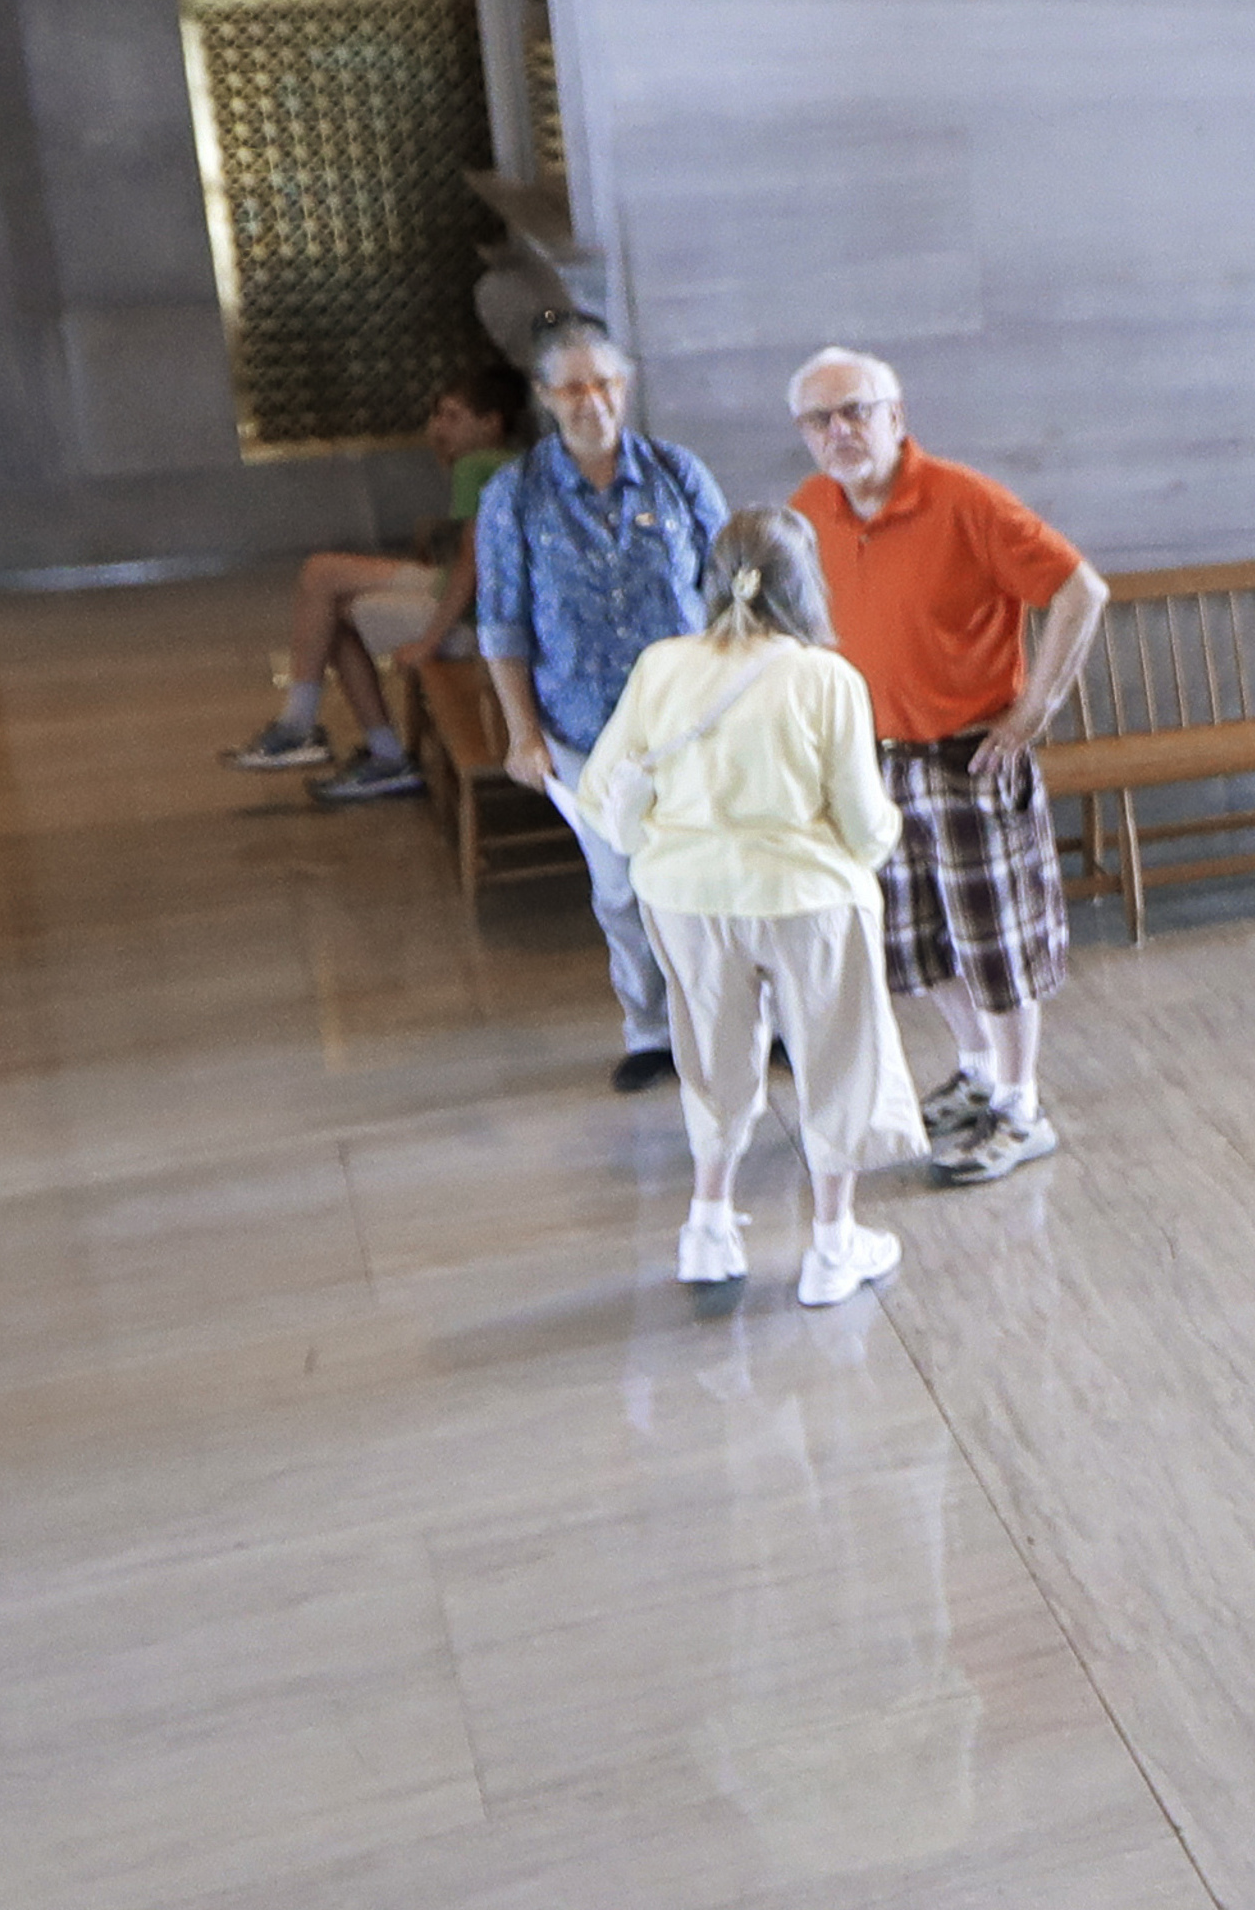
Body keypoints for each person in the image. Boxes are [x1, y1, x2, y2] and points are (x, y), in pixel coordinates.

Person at [577, 505, 916, 1307]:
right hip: (806, 897)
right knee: (834, 1055)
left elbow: (601, 789)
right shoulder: (826, 676)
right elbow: (865, 824)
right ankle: (833, 1245)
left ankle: (708, 1227)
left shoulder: (662, 664)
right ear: (806, 585)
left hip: (686, 896)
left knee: (709, 1052)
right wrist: (886, 834)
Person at [784, 347, 1105, 1185]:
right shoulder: (807, 511)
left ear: (896, 415)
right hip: (869, 764)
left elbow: (1081, 590)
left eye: (856, 409)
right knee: (914, 944)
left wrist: (1035, 707)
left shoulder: (964, 500)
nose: (840, 430)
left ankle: (1019, 1107)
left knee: (993, 942)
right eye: (821, 419)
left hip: (969, 757)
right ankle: (975, 1071)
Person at [471, 314, 725, 1092]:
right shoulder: (514, 494)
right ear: (546, 396)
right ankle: (650, 1029)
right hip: (582, 729)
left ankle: (751, 1021)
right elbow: (503, 622)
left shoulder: (680, 473)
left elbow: (729, 592)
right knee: (621, 887)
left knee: (716, 880)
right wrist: (523, 735)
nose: (593, 400)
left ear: (628, 385)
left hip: (690, 723)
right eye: (574, 386)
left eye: (606, 382)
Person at [220, 353, 529, 801]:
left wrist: (427, 642)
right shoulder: (504, 460)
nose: (438, 427)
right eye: (437, 414)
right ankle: (307, 727)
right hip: (458, 592)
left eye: (452, 416)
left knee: (334, 612)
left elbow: (472, 564)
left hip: (470, 621)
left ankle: (366, 750)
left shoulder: (476, 468)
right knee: (321, 573)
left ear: (490, 423)